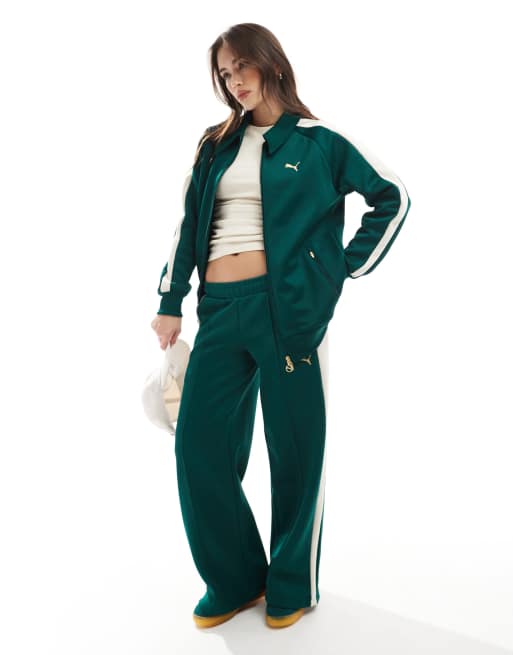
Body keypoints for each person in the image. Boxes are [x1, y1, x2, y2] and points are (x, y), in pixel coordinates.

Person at [150, 22, 411, 630]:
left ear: (271, 63)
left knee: (294, 449)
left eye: (241, 66)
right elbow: (187, 225)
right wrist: (170, 298)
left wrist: (338, 268)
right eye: (224, 73)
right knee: (198, 447)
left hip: (289, 310)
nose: (234, 81)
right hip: (220, 310)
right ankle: (235, 579)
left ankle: (292, 583)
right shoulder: (215, 144)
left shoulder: (319, 141)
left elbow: (392, 196)